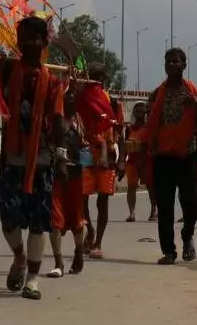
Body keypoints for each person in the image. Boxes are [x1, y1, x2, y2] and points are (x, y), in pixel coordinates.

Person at [0, 15, 67, 300]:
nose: (28, 43)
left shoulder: (51, 83)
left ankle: (33, 279)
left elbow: (58, 120)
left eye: (34, 38)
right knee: (8, 221)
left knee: (39, 224)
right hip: (12, 161)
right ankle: (19, 257)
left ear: (44, 42)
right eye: (23, 38)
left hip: (41, 163)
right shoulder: (7, 72)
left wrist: (60, 153)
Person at [141, 48, 197, 265]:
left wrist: (196, 108)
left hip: (187, 154)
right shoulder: (157, 94)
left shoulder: (194, 93)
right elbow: (150, 125)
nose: (171, 65)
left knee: (190, 203)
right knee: (165, 206)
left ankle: (187, 235)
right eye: (167, 62)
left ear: (184, 65)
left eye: (175, 62)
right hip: (163, 156)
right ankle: (169, 251)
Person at [75, 63, 120, 260]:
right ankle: (90, 231)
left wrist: (121, 161)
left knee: (103, 201)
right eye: (91, 75)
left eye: (96, 75)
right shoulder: (81, 99)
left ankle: (98, 242)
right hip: (85, 153)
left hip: (107, 156)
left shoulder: (112, 102)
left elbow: (119, 130)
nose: (93, 79)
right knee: (82, 199)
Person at [47, 98, 87, 278]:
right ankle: (58, 262)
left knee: (77, 221)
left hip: (75, 179)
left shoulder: (78, 128)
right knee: (55, 220)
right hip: (55, 179)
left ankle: (79, 251)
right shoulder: (50, 127)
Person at [124, 103, 157, 222]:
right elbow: (125, 145)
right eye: (137, 112)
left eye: (141, 112)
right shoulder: (129, 129)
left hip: (146, 161)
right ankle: (132, 213)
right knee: (131, 187)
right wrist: (122, 162)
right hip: (132, 161)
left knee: (150, 187)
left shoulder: (149, 129)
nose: (139, 115)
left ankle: (154, 210)